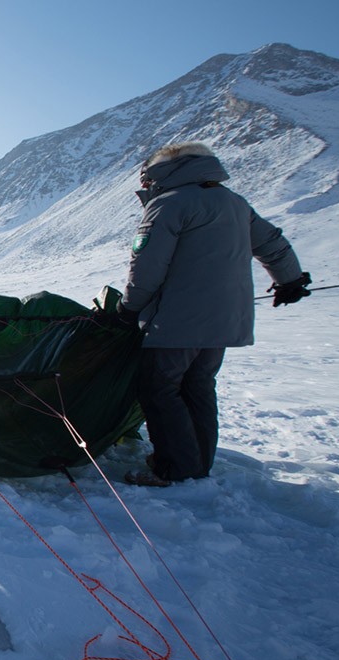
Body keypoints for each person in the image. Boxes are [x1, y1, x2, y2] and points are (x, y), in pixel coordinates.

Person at [115, 142, 311, 486]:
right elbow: (273, 243)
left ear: (164, 172)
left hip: (176, 322)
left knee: (159, 389)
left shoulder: (169, 204)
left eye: (148, 179)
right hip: (224, 322)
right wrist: (289, 280)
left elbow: (146, 267)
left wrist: (128, 309)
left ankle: (175, 468)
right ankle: (197, 464)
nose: (145, 186)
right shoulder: (233, 202)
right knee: (199, 386)